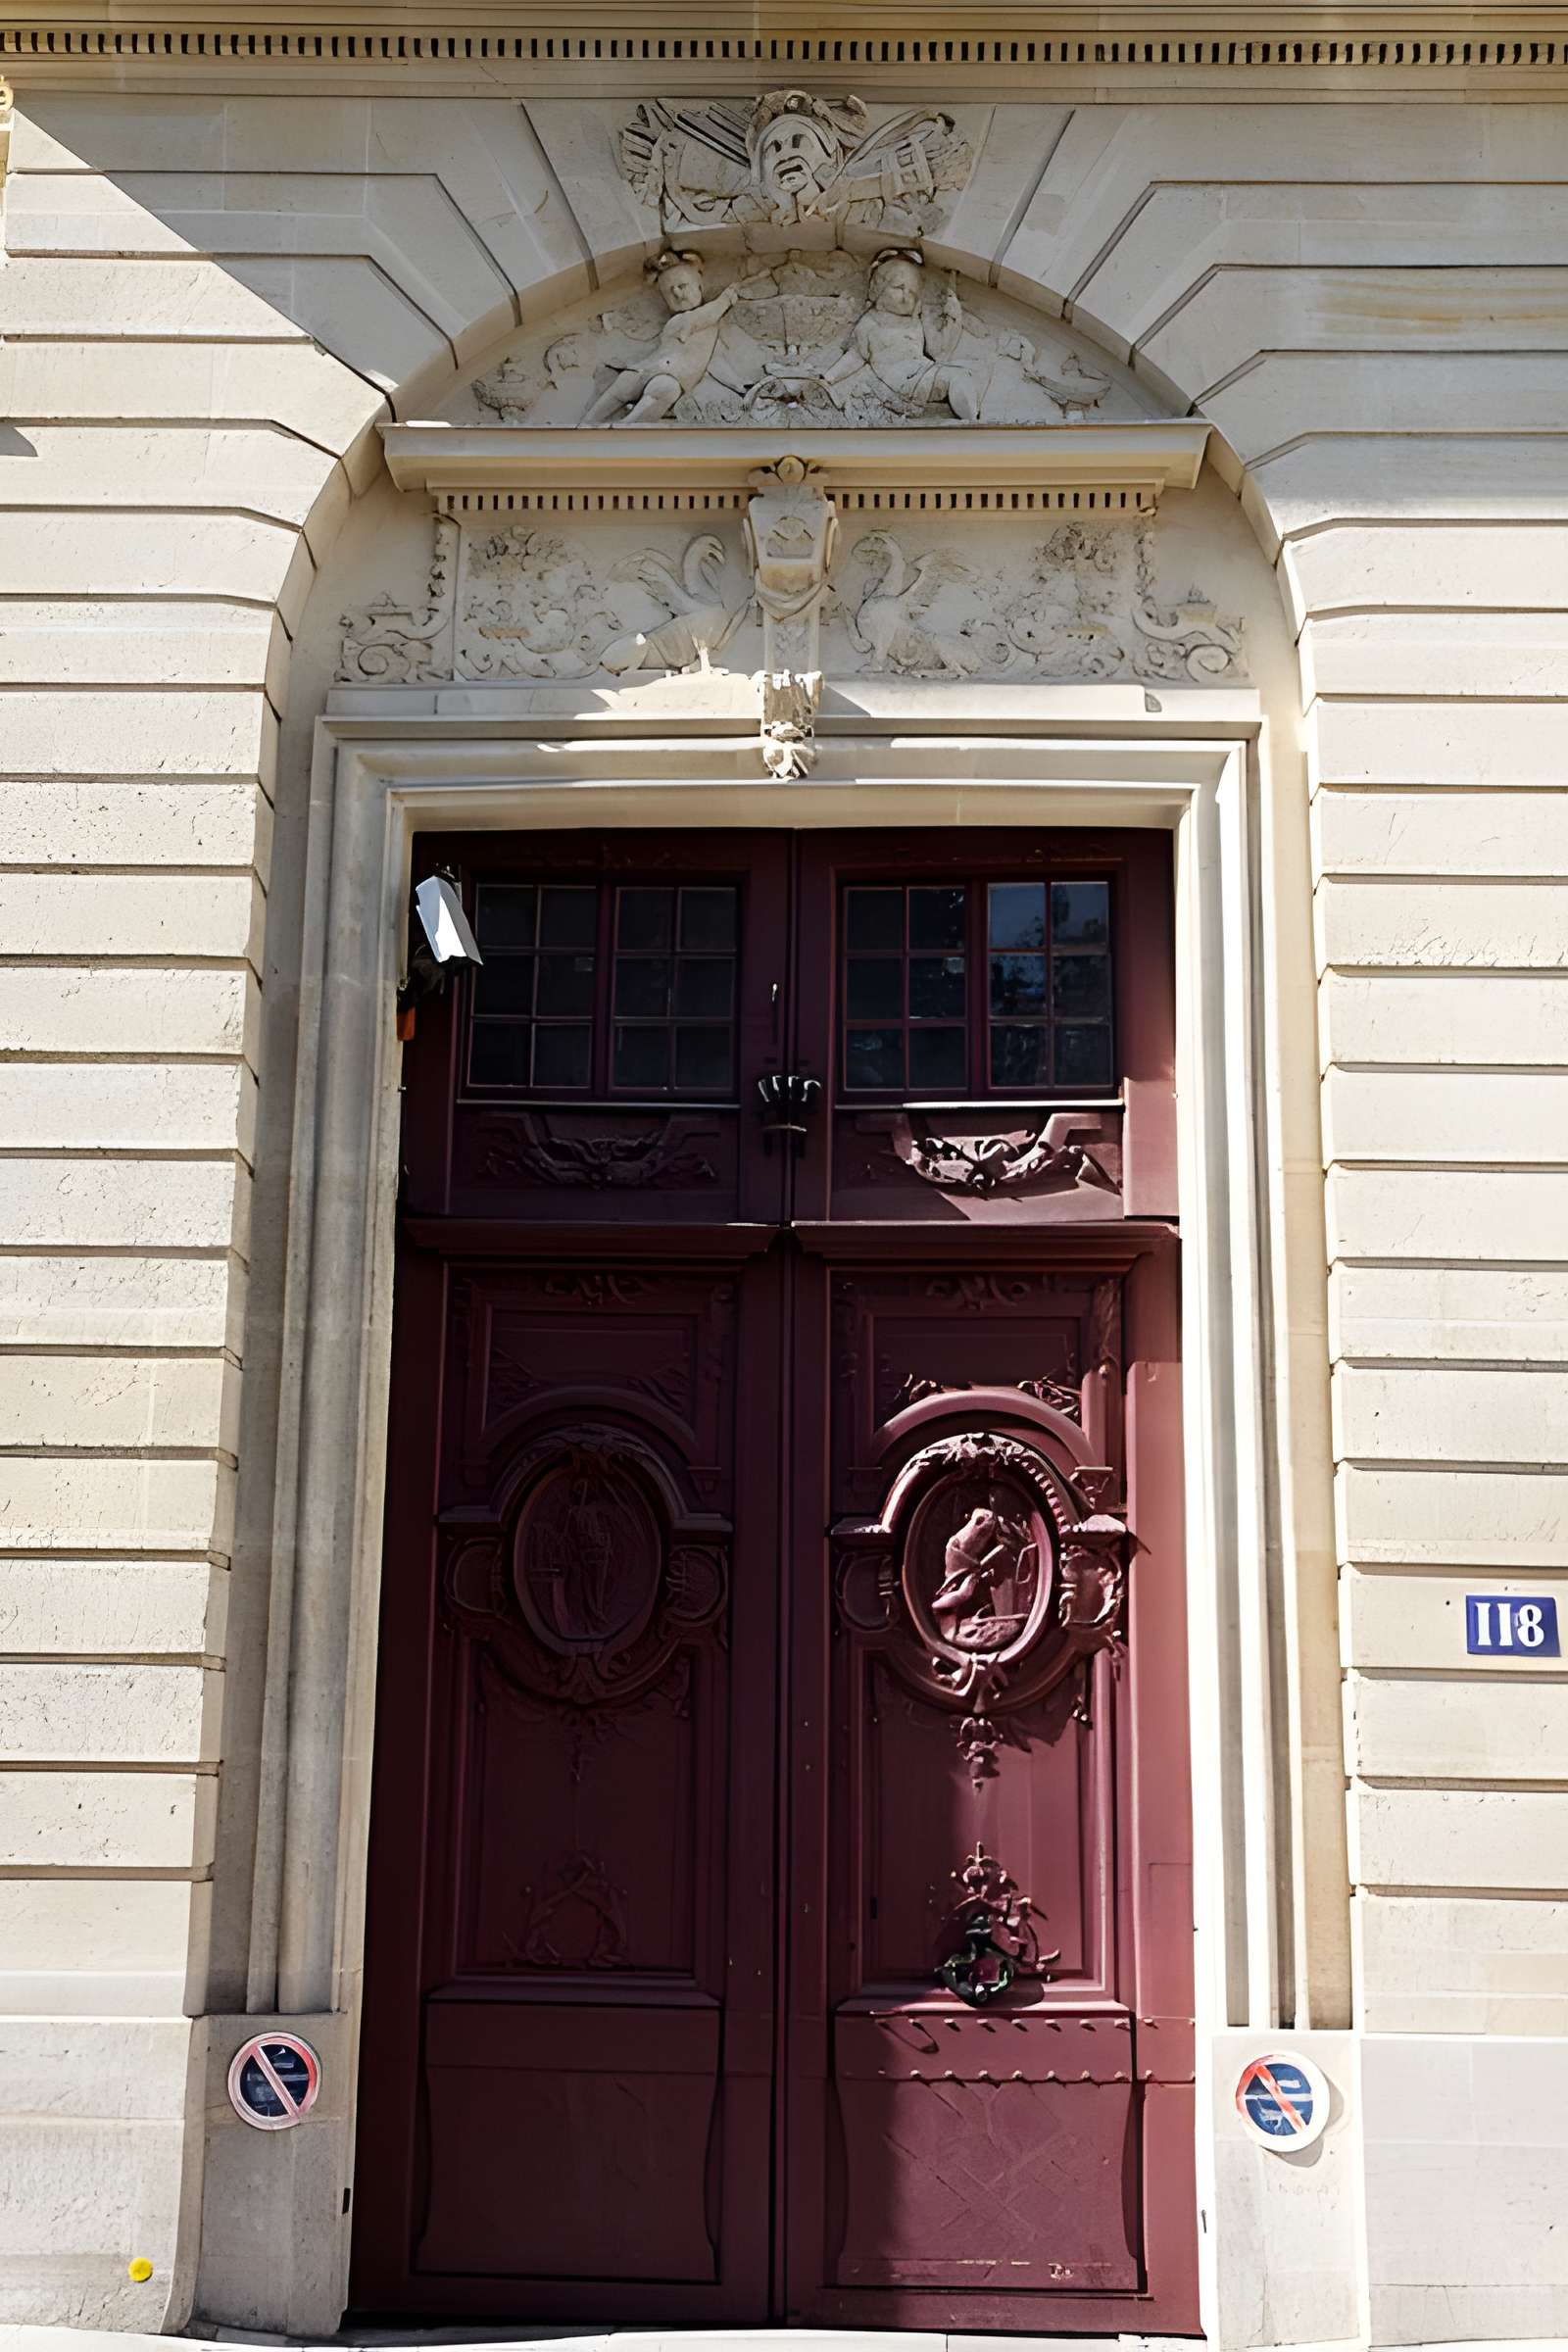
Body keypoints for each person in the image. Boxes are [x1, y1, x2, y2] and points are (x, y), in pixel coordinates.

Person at [580, 249, 766, 425]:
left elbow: (715, 351)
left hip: (673, 377)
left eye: (682, 286)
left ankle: (625, 426)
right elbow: (706, 316)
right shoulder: (683, 320)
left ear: (700, 286)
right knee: (625, 383)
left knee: (664, 388)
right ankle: (587, 423)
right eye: (669, 291)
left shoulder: (711, 324)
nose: (677, 293)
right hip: (650, 368)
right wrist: (726, 298)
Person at [820, 246, 980, 420]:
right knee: (956, 377)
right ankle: (971, 422)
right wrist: (828, 378)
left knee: (965, 373)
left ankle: (972, 421)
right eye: (899, 287)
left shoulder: (915, 323)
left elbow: (939, 350)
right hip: (897, 381)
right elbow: (855, 356)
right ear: (879, 288)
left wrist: (953, 316)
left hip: (920, 372)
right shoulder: (871, 322)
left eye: (912, 293)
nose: (905, 297)